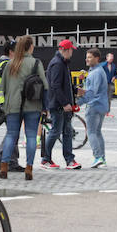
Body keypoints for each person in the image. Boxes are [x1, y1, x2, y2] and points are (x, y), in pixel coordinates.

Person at [0, 36, 48, 180]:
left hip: (12, 105)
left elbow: (3, 87)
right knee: (32, 136)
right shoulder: (35, 63)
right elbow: (44, 85)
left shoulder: (10, 64)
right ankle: (29, 168)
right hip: (32, 105)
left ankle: (4, 167)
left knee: (11, 135)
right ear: (30, 47)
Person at [40, 39, 81, 170]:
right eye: (71, 51)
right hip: (58, 105)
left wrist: (75, 90)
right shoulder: (58, 64)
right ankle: (46, 159)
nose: (72, 54)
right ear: (65, 50)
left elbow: (64, 84)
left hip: (62, 104)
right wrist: (64, 103)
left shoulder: (62, 63)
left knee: (67, 132)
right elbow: (56, 86)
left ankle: (70, 160)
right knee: (56, 131)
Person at [0, 40, 24, 173]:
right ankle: (2, 158)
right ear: (11, 51)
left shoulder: (7, 64)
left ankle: (9, 160)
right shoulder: (5, 64)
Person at [76, 47, 108, 168]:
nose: (87, 59)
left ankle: (98, 157)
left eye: (90, 57)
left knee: (91, 132)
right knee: (98, 132)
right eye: (87, 57)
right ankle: (102, 158)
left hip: (94, 106)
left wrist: (77, 103)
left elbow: (90, 93)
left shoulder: (95, 73)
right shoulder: (98, 71)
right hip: (102, 106)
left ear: (97, 58)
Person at [100, 52, 117, 117]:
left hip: (110, 84)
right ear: (107, 58)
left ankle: (107, 112)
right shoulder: (102, 65)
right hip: (103, 84)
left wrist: (114, 77)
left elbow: (115, 74)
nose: (112, 58)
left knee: (109, 98)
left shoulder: (113, 65)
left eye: (112, 57)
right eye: (110, 57)